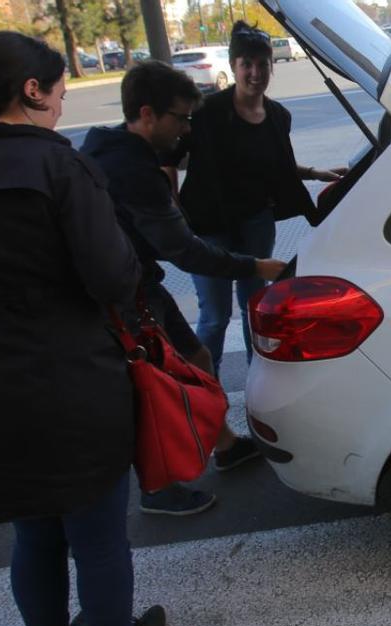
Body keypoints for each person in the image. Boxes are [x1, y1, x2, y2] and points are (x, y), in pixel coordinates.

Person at [0, 32, 165, 626]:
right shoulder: (57, 164)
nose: (62, 105)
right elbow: (114, 279)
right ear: (29, 91)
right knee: (97, 536)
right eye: (59, 91)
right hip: (69, 380)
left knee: (32, 532)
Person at [80, 61, 287, 515]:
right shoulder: (133, 170)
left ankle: (226, 445)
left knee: (193, 359)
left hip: (134, 284)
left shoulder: (108, 149)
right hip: (123, 295)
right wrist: (257, 266)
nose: (187, 129)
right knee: (153, 385)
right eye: (181, 118)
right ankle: (158, 487)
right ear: (148, 114)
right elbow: (183, 250)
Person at [164, 22, 342, 376]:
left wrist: (313, 173)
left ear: (271, 67)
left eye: (262, 64)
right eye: (247, 64)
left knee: (254, 309)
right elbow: (169, 156)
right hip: (209, 225)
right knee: (214, 317)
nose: (255, 73)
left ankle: (257, 379)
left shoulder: (278, 116)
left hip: (256, 223)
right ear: (233, 66)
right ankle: (203, 386)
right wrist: (173, 206)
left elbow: (278, 162)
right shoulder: (206, 112)